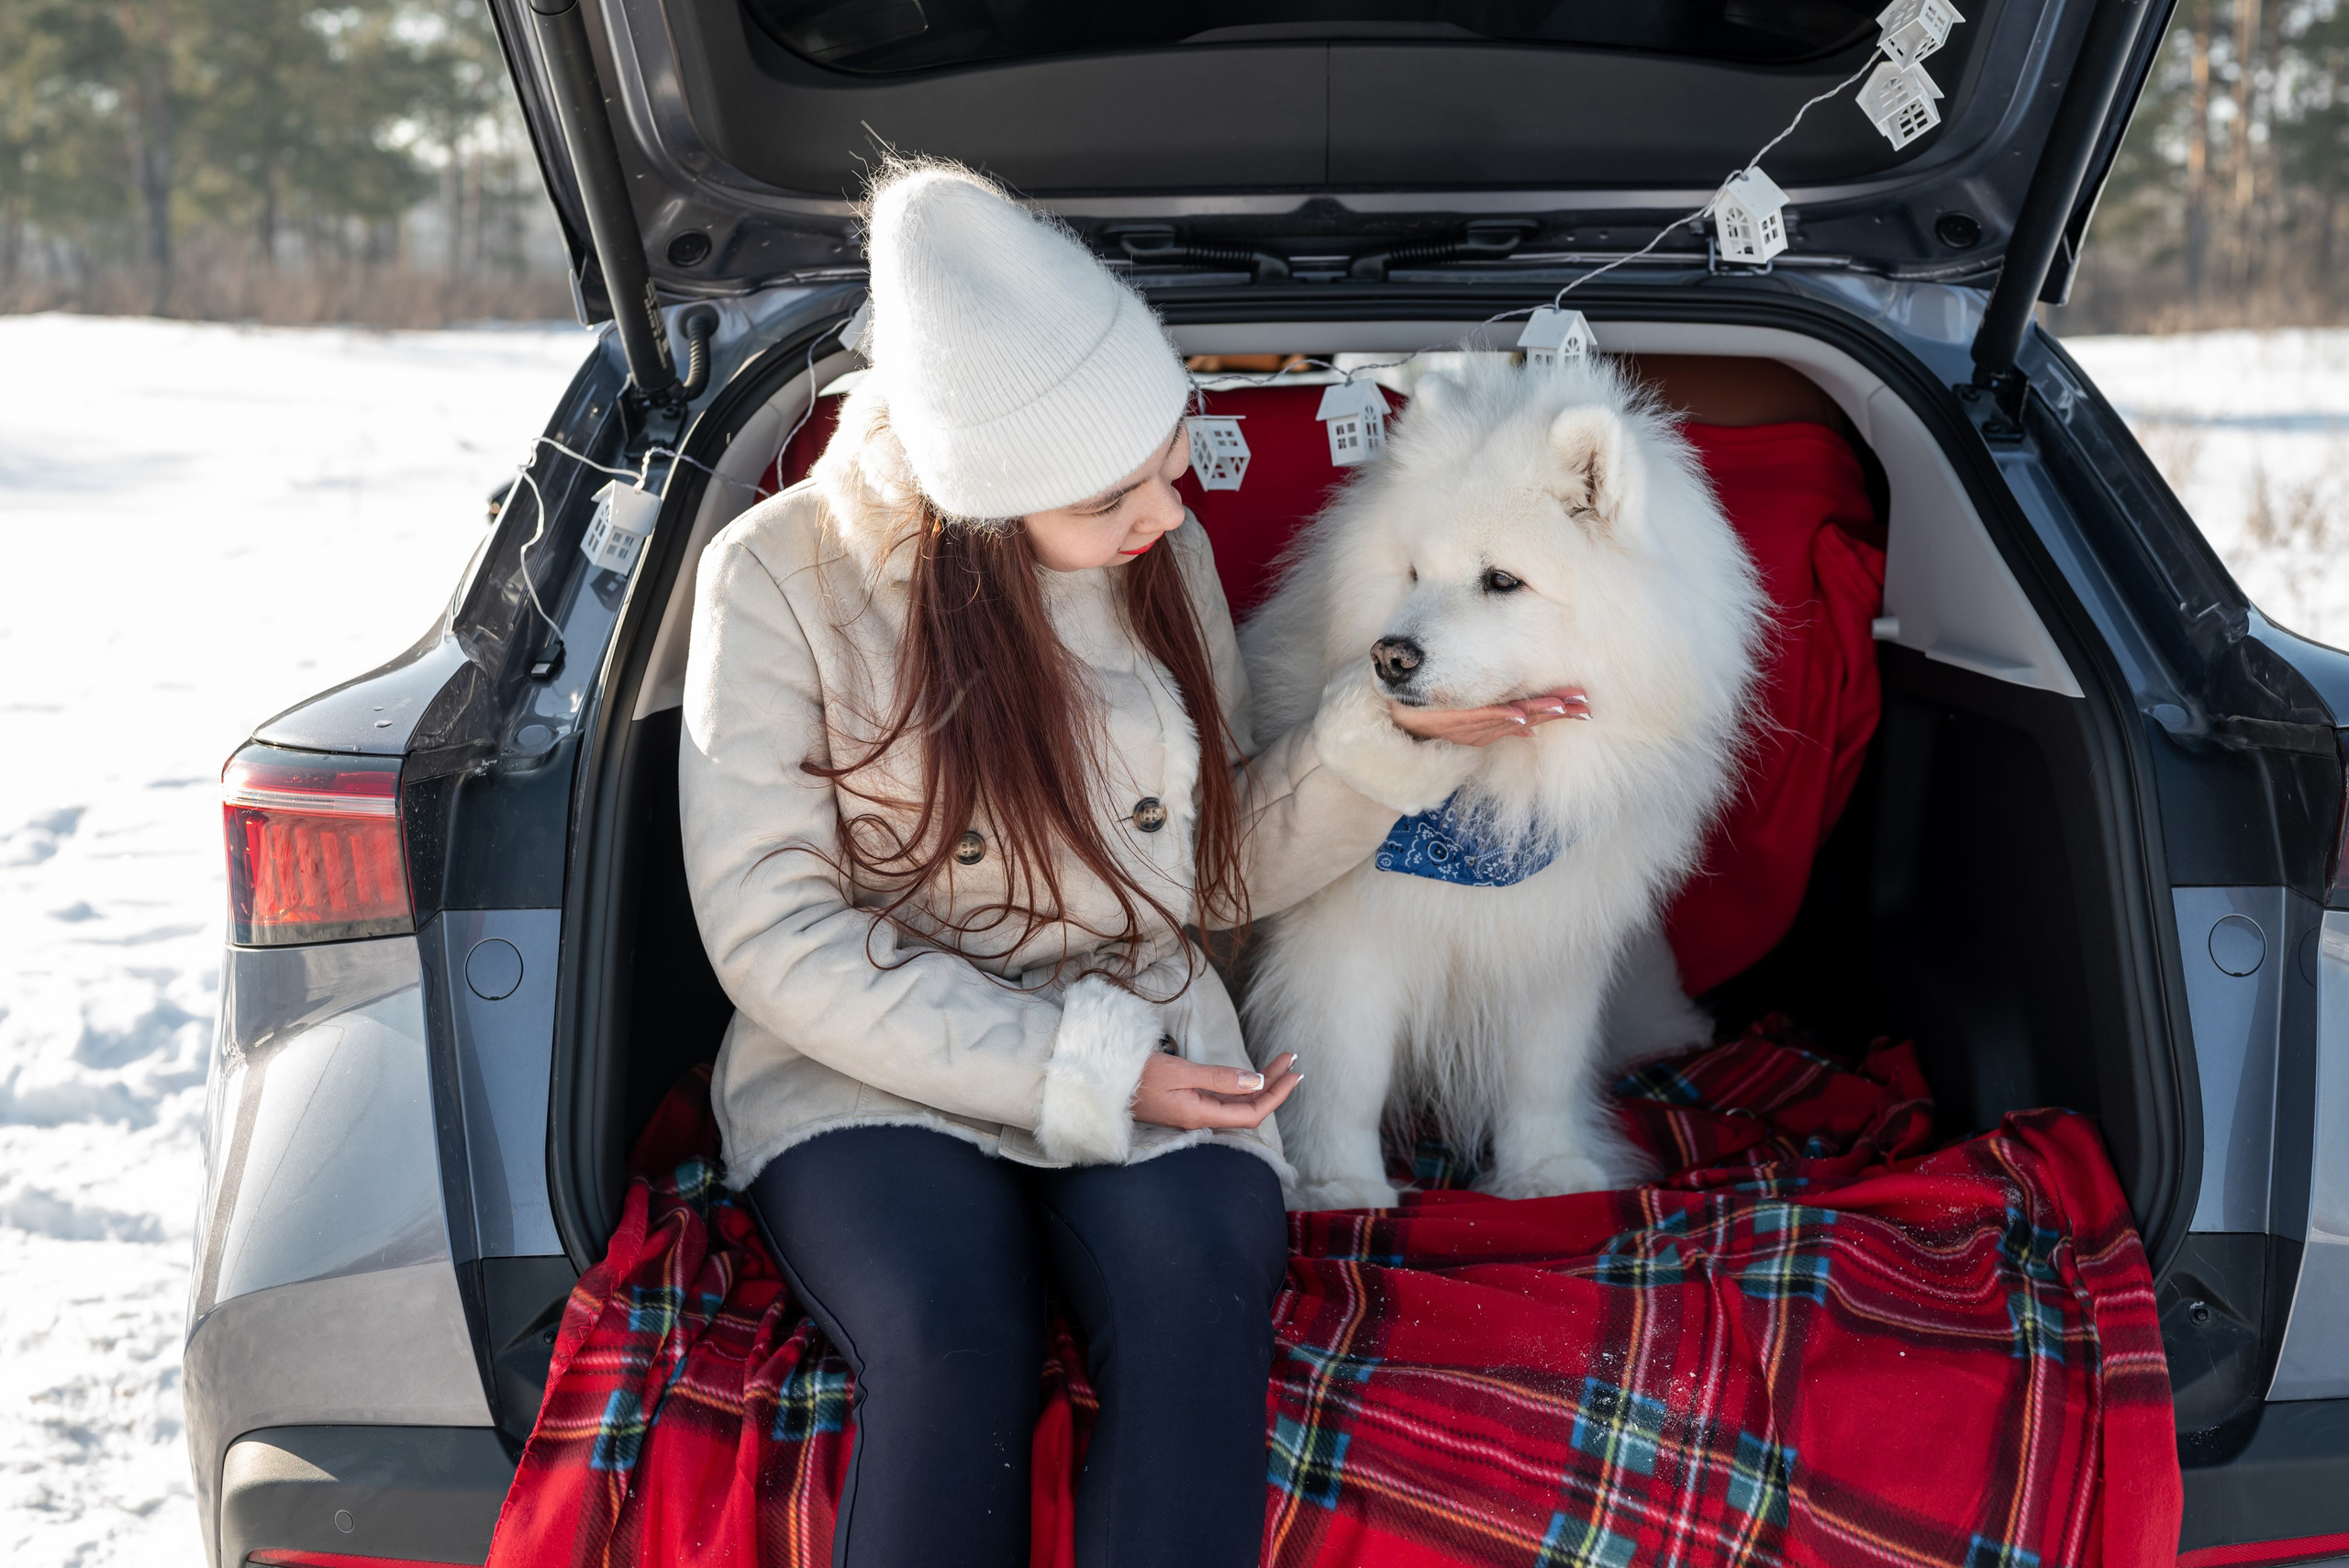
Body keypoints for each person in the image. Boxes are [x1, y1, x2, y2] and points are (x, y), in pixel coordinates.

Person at [678, 160, 1583, 1568]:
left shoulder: (1161, 552)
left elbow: (1209, 871)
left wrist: (1388, 739)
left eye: (1170, 453)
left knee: (1198, 1296)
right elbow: (775, 932)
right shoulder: (777, 578)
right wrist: (1085, 1071)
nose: (1167, 509)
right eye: (1117, 496)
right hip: (874, 1059)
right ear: (987, 509)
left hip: (1153, 1021)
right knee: (947, 1330)